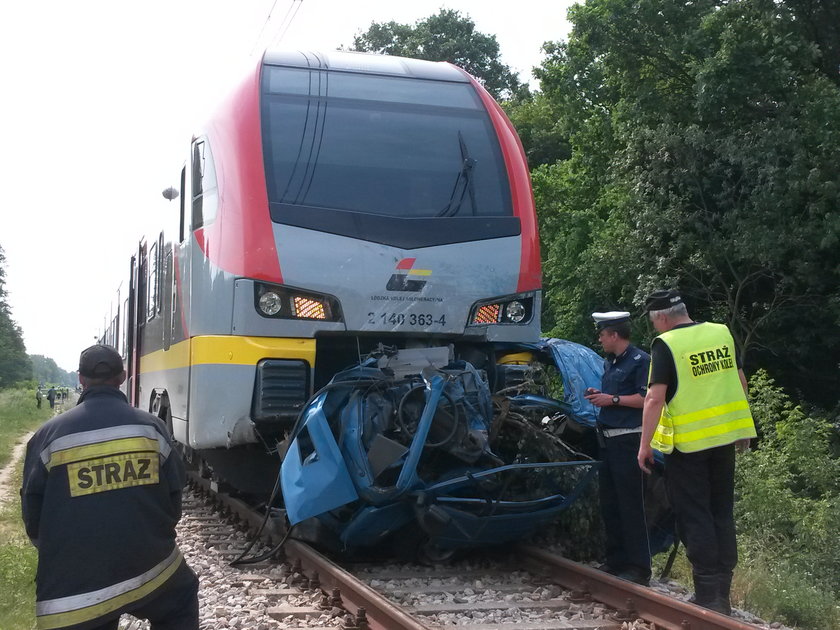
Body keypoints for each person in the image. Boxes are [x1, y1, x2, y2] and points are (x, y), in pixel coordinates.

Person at [20, 344, 199, 630]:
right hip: (151, 568)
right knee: (182, 593)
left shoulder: (48, 436)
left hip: (72, 591)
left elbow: (33, 513)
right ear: (123, 376)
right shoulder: (151, 428)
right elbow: (174, 496)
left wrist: (61, 552)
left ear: (81, 379)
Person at [637, 290, 756, 615]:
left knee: (695, 514)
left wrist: (644, 446)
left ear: (661, 318)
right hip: (725, 441)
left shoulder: (667, 345)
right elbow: (740, 382)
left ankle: (708, 594)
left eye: (654, 323)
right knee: (721, 511)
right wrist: (743, 426)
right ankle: (723, 594)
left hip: (689, 445)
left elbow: (654, 399)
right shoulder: (721, 332)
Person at [585, 311, 652, 586]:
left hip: (628, 438)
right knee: (610, 503)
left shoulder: (641, 360)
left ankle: (639, 566)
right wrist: (598, 396)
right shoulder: (610, 362)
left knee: (630, 504)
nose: (600, 339)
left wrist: (611, 399)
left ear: (614, 334)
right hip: (608, 439)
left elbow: (645, 398)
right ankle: (616, 559)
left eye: (602, 334)